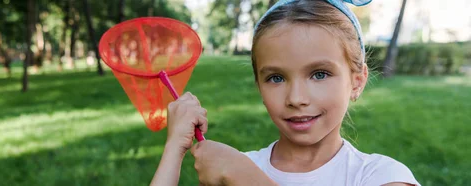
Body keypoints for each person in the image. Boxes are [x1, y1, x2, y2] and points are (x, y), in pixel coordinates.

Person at [150, 0, 421, 185]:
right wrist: (174, 149)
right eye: (276, 78)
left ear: (357, 81)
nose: (296, 98)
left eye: (319, 74)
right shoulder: (237, 166)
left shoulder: (381, 176)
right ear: (259, 85)